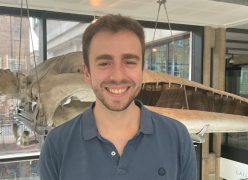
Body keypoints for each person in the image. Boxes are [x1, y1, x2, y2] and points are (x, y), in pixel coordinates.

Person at [39, 14, 197, 180]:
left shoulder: (177, 137)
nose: (118, 76)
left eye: (129, 62)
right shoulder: (57, 145)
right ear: (87, 73)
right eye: (104, 63)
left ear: (142, 70)